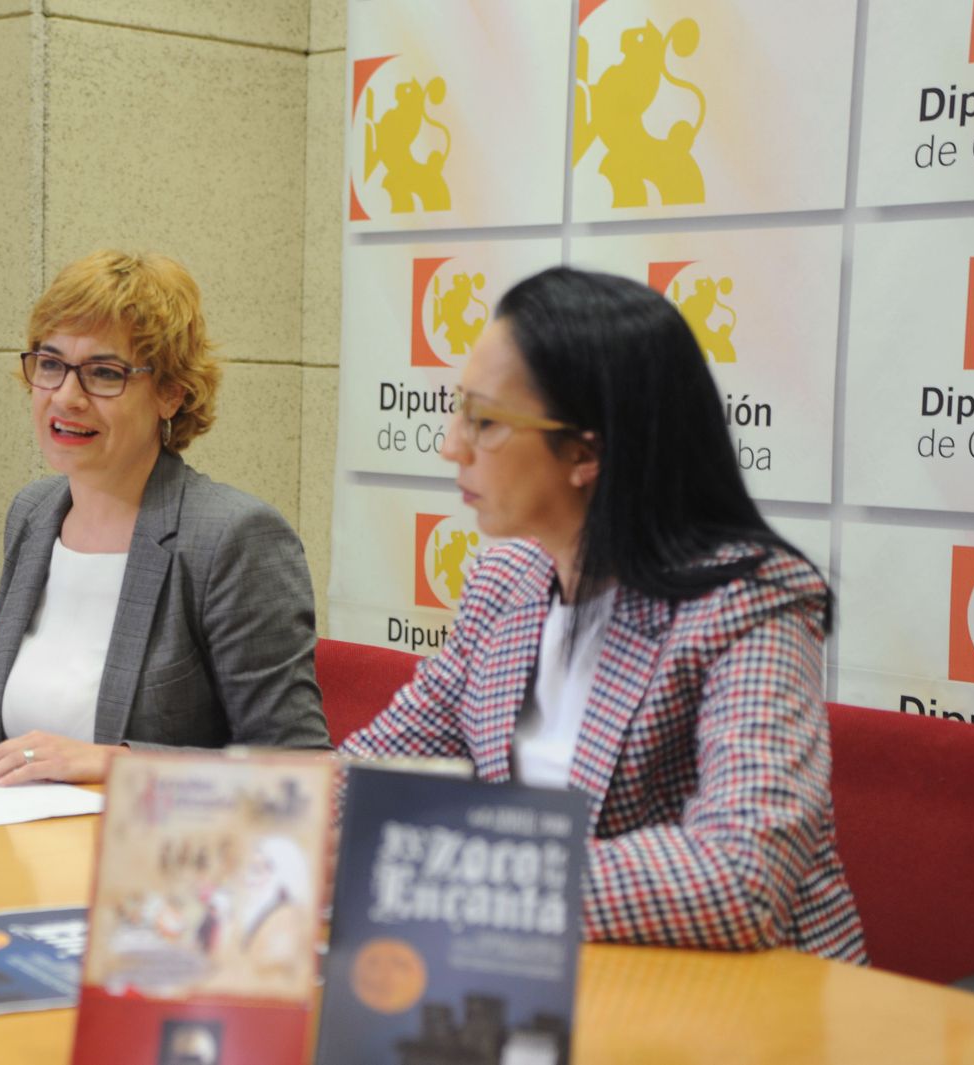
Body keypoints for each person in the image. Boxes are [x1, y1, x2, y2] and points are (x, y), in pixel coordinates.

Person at [340, 267, 868, 961]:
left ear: (585, 451)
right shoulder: (506, 581)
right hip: (554, 983)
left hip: (747, 1012)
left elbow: (738, 877)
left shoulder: (749, 601)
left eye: (485, 421)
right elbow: (372, 768)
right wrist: (237, 812)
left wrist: (468, 878)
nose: (450, 445)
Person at [0, 250, 329, 781]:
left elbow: (299, 769)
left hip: (147, 850)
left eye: (104, 373)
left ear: (170, 394)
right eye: (50, 364)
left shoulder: (233, 537)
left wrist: (110, 764)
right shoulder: (35, 513)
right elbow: (53, 734)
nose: (66, 397)